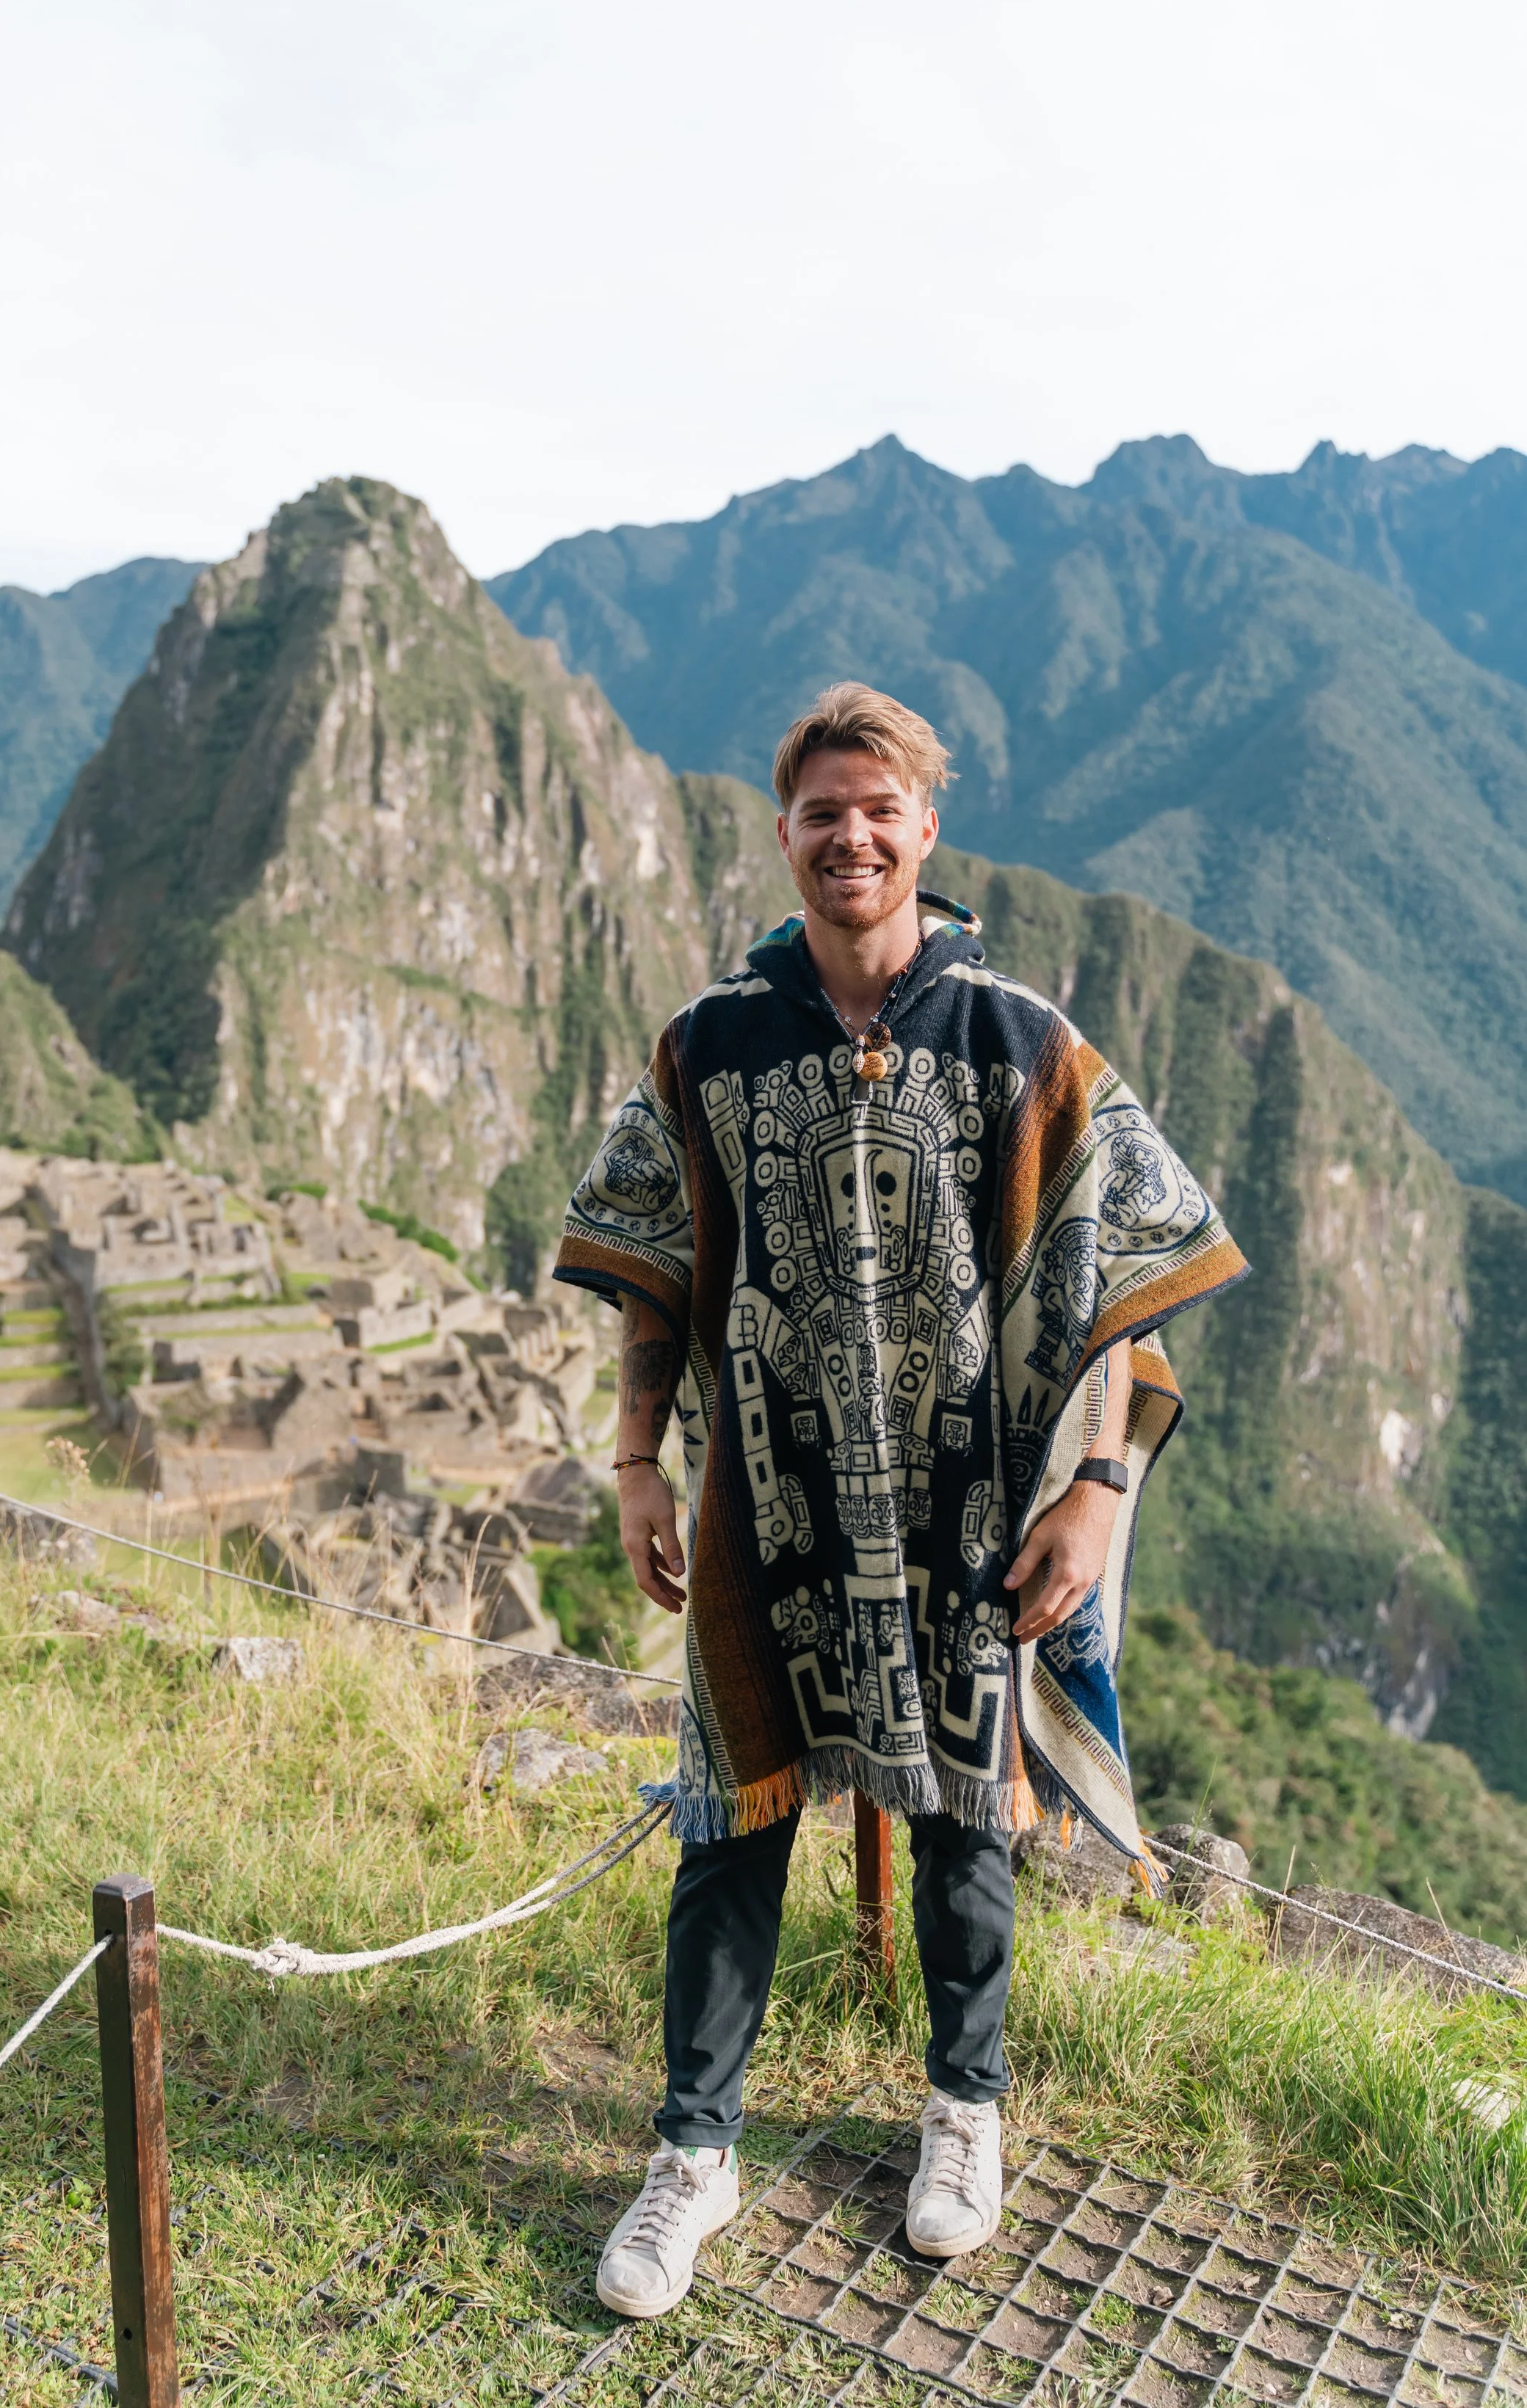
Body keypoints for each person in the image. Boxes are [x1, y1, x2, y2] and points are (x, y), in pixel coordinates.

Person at [553, 682, 1248, 2321]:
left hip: (966, 1498)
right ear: (784, 836)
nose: (850, 837)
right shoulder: (711, 1045)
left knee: (962, 1811)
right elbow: (653, 1272)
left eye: (879, 810)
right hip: (768, 1501)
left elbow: (1126, 1280)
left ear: (923, 831)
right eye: (820, 813)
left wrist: (1091, 1491)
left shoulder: (1015, 1039)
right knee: (729, 1812)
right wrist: (638, 1457)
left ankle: (962, 2113)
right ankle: (691, 2152)